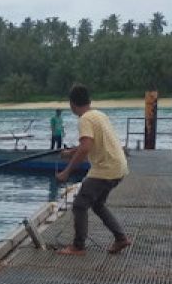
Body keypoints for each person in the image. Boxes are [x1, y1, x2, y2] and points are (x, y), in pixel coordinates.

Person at [56, 84, 132, 256]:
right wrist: (69, 153)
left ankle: (78, 246)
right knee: (97, 204)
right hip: (118, 167)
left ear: (72, 104)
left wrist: (66, 172)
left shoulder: (84, 119)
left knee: (79, 205)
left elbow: (85, 147)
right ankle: (121, 238)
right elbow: (88, 144)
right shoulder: (99, 115)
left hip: (105, 169)